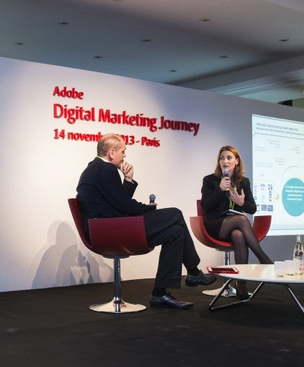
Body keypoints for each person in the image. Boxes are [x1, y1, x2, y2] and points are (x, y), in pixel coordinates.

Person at [76, 133, 216, 310]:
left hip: (109, 227)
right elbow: (125, 206)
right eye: (123, 151)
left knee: (176, 233)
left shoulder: (96, 169)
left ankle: (160, 294)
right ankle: (194, 272)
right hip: (110, 230)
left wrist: (127, 179)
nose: (124, 155)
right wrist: (149, 208)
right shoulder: (105, 169)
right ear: (111, 153)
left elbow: (117, 202)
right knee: (175, 214)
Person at [200, 145, 273, 298]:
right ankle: (263, 258)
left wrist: (241, 203)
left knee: (239, 235)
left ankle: (241, 283)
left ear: (237, 161)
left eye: (229, 158)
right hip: (215, 224)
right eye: (222, 158)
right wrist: (220, 189)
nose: (224, 161)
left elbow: (252, 208)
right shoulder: (210, 180)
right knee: (241, 219)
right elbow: (205, 206)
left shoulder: (243, 182)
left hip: (234, 226)